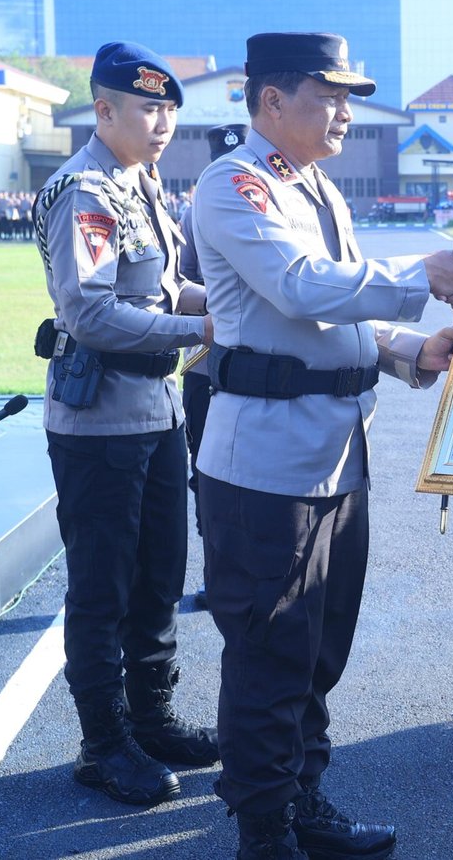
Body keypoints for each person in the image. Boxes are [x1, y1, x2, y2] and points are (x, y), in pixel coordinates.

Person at [189, 32, 453, 860]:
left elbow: (338, 312)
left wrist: (407, 348)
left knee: (319, 648)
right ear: (272, 102)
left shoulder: (316, 186)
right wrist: (424, 276)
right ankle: (265, 829)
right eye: (330, 95)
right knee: (269, 649)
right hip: (265, 466)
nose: (347, 111)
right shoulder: (232, 185)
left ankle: (302, 795)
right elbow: (301, 287)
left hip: (334, 452)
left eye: (350, 96)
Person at [32, 41, 219, 806]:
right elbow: (92, 312)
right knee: (103, 588)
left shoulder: (141, 183)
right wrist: (205, 333)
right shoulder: (87, 191)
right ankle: (103, 743)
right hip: (99, 419)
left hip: (155, 409)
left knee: (158, 577)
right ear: (103, 111)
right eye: (148, 107)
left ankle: (153, 716)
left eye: (170, 109)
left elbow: (166, 287)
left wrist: (225, 303)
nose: (163, 122)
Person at [178, 124, 250, 610]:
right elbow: (177, 283)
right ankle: (216, 572)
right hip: (205, 366)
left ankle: (249, 570)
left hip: (256, 367)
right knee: (205, 473)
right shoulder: (192, 212)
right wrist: (219, 305)